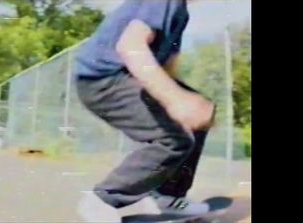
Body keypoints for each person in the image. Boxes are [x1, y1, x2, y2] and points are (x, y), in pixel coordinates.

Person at [74, 0, 215, 221]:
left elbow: (167, 65)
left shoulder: (180, 12)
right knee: (174, 139)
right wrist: (175, 99)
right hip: (103, 80)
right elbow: (131, 46)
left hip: (122, 77)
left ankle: (167, 196)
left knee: (196, 115)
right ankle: (102, 199)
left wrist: (188, 100)